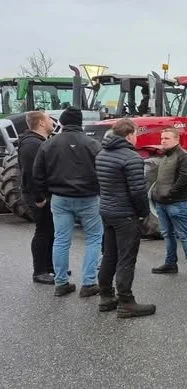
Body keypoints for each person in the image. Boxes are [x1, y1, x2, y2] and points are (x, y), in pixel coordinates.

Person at [32, 107, 103, 297]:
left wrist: (40, 197)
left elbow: (37, 174)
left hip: (60, 199)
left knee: (61, 240)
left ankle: (61, 283)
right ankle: (88, 283)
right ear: (80, 123)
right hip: (88, 198)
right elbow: (103, 171)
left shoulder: (48, 144)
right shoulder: (93, 144)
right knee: (94, 239)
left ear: (62, 123)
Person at [95, 118, 155, 318]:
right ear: (129, 135)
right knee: (126, 258)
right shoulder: (131, 158)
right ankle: (126, 301)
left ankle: (105, 295)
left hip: (107, 211)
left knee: (110, 254)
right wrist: (144, 212)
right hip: (125, 214)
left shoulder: (102, 153)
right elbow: (138, 191)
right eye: (136, 134)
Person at [149, 128, 187, 279]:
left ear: (177, 139)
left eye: (167, 138)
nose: (163, 141)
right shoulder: (164, 156)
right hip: (162, 203)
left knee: (184, 235)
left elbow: (186, 177)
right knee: (167, 235)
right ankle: (170, 263)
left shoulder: (183, 156)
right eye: (162, 138)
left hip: (176, 203)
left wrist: (170, 192)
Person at [18, 111, 56, 284]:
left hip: (43, 194)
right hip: (38, 197)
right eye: (49, 119)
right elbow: (30, 174)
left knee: (50, 231)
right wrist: (39, 197)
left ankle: (49, 267)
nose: (52, 121)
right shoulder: (32, 145)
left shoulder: (39, 142)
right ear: (41, 123)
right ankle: (39, 271)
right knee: (43, 231)